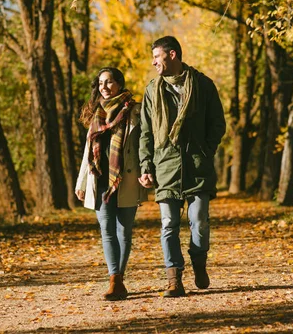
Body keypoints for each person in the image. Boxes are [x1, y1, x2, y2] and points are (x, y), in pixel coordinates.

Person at [139, 36, 226, 297]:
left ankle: (199, 263)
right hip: (165, 167)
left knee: (198, 222)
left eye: (157, 56)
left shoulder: (203, 85)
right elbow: (146, 132)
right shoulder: (152, 90)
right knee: (168, 224)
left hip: (198, 169)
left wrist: (204, 152)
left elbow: (217, 124)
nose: (154, 62)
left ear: (172, 55)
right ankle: (173, 278)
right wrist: (146, 165)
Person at [75, 67, 146, 301]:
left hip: (126, 178)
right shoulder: (96, 113)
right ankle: (114, 279)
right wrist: (82, 180)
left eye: (109, 82)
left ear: (119, 84)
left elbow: (145, 144)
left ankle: (120, 278)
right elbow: (88, 150)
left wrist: (146, 171)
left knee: (124, 231)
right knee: (107, 230)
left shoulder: (134, 110)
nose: (104, 87)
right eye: (101, 83)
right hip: (101, 180)